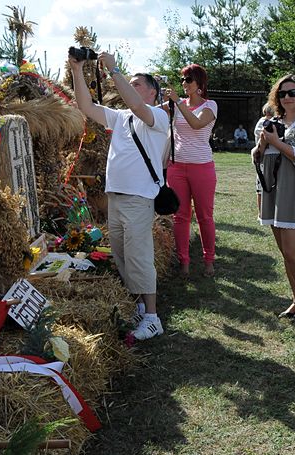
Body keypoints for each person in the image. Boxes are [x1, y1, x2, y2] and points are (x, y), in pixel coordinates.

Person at [69, 52, 168, 340]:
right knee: (123, 257)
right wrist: (77, 69)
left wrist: (114, 70)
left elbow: (136, 105)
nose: (130, 86)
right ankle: (139, 308)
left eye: (137, 84)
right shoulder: (120, 117)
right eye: (130, 82)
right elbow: (85, 106)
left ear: (152, 92)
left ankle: (152, 318)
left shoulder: (158, 116)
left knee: (140, 257)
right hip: (116, 197)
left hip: (138, 198)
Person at [254, 74, 295, 323]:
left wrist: (276, 142)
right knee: (285, 253)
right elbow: (259, 156)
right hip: (275, 191)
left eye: (293, 92)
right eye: (282, 93)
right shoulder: (273, 122)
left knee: (293, 252)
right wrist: (262, 143)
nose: (287, 97)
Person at [162, 64, 218, 278]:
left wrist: (177, 102)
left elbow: (196, 123)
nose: (184, 83)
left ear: (199, 83)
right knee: (180, 216)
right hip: (176, 167)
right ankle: (183, 262)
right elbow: (150, 112)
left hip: (202, 167)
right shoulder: (177, 103)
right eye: (183, 80)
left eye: (188, 79)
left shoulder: (210, 105)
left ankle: (209, 260)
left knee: (205, 216)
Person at [252, 103, 277, 214]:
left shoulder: (275, 122)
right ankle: (261, 212)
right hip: (262, 157)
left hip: (271, 158)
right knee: (261, 186)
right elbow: (264, 138)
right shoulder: (263, 122)